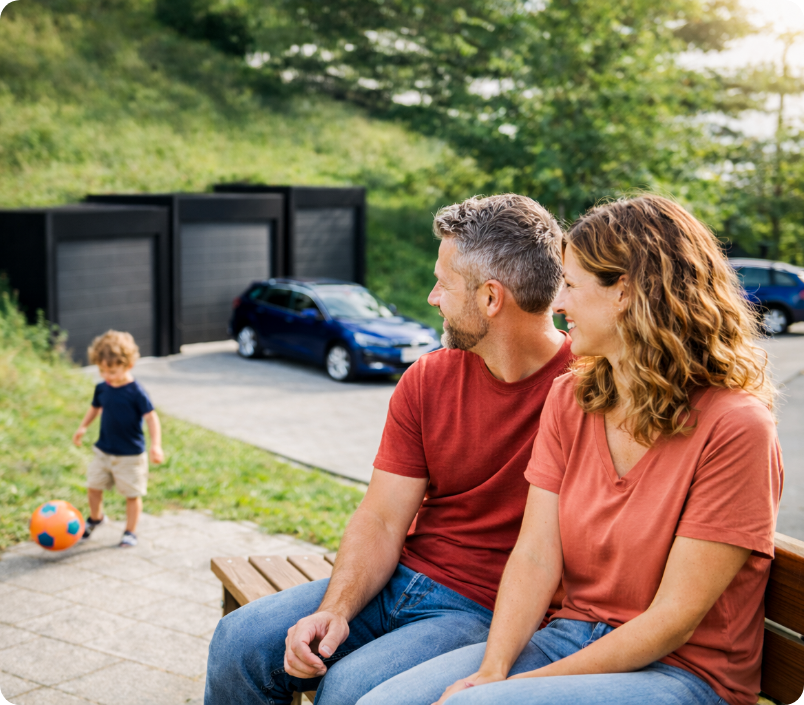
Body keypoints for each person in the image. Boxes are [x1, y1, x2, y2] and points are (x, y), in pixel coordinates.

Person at [356, 194, 784, 705]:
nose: (557, 305)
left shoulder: (737, 428)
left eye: (572, 286)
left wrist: (511, 689)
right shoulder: (572, 397)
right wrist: (493, 669)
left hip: (681, 672)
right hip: (566, 638)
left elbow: (671, 621)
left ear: (623, 293)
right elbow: (535, 556)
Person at [204, 194, 575, 705]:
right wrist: (335, 609)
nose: (431, 297)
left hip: (485, 608)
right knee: (239, 641)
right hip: (400, 578)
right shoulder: (427, 378)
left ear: (491, 298)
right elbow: (381, 517)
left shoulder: (590, 389)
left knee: (348, 690)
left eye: (443, 283)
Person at [73, 330, 164, 548]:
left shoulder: (136, 392)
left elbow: (152, 418)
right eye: (102, 371)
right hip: (103, 450)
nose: (107, 376)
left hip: (130, 455)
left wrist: (156, 446)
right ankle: (96, 518)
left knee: (132, 494)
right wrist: (83, 427)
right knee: (93, 486)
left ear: (128, 365)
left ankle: (130, 531)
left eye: (112, 371)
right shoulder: (102, 388)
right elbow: (95, 408)